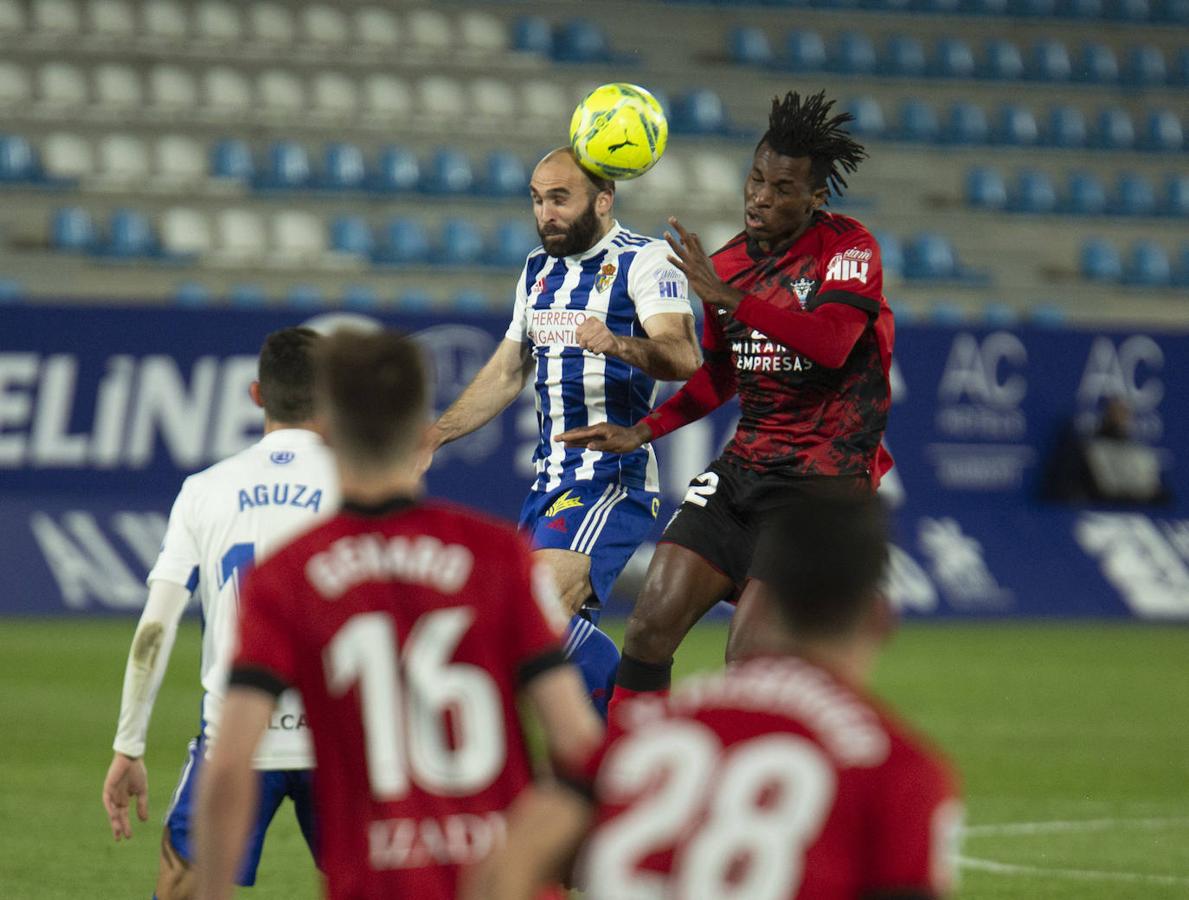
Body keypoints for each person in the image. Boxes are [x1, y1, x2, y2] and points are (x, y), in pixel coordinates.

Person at [194, 329, 603, 900]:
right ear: (420, 431)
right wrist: (521, 863)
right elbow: (581, 745)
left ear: (328, 432)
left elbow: (231, 761)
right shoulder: (496, 556)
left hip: (378, 883)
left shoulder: (287, 576)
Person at [558, 90, 895, 708]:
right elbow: (720, 373)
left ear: (816, 197)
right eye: (756, 179)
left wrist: (729, 298)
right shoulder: (728, 265)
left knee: (747, 658)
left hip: (820, 488)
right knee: (649, 627)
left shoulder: (849, 249)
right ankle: (638, 779)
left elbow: (833, 343)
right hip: (744, 473)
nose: (761, 196)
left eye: (783, 187)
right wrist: (645, 429)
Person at [475, 495, 964, 900]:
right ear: (882, 620)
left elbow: (505, 870)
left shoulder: (642, 728)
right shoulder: (893, 769)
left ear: (759, 606)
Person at [427, 146, 700, 715]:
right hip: (548, 483)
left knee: (537, 611)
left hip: (610, 479)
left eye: (559, 198)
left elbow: (684, 355)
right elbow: (507, 371)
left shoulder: (643, 261)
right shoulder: (537, 269)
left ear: (603, 200)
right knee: (529, 649)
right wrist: (433, 436)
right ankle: (609, 764)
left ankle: (641, 731)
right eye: (536, 199)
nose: (544, 212)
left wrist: (621, 343)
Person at [101, 327, 337, 899]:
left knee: (182, 888)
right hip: (342, 740)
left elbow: (156, 625)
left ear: (257, 395)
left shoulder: (204, 491)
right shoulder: (358, 487)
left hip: (235, 738)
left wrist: (129, 744)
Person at [1046, 396, 1171, 505]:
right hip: (1103, 507)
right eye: (1114, 413)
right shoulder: (1090, 448)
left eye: (1124, 414)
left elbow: (1152, 491)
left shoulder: (1140, 453)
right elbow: (1100, 489)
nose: (1120, 419)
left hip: (1135, 509)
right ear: (1105, 416)